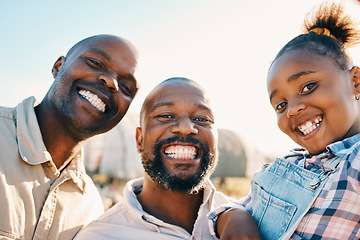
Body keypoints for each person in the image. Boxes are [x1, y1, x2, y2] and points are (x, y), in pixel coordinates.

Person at [210, 2, 360, 240]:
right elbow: (231, 209)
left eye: (308, 86)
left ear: (356, 81)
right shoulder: (287, 166)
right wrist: (235, 217)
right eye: (280, 105)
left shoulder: (354, 162)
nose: (292, 109)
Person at [74, 77, 261, 240]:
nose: (186, 127)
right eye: (166, 116)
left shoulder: (256, 223)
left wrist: (237, 213)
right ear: (140, 140)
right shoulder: (101, 235)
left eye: (202, 119)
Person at [0, 34, 139, 240]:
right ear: (58, 66)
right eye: (95, 63)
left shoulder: (90, 209)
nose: (111, 82)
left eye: (126, 87)